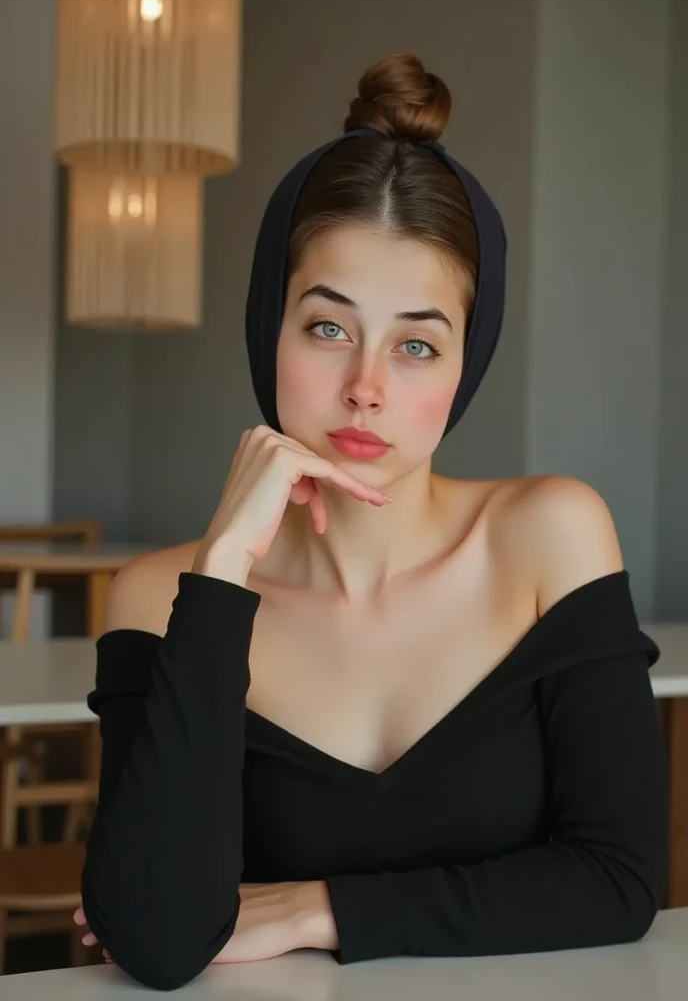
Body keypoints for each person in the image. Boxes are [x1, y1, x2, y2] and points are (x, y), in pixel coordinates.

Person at [75, 52, 668, 991]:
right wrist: (223, 568)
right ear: (267, 328)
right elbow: (153, 936)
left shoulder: (551, 536)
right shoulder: (158, 595)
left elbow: (619, 880)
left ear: (465, 368)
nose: (366, 389)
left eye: (418, 345)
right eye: (327, 327)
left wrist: (320, 906)